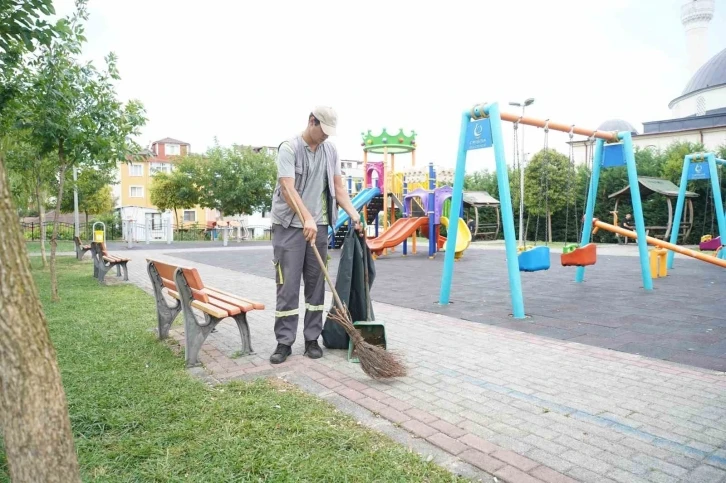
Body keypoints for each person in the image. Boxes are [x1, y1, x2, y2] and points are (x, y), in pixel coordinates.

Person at [268, 106, 363, 364]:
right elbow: (287, 188)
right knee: (287, 287)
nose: (326, 137)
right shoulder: (289, 148)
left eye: (330, 133)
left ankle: (312, 338)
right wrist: (305, 217)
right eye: (323, 131)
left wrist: (355, 215)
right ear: (312, 121)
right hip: (289, 227)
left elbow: (338, 188)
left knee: (316, 286)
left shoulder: (330, 150)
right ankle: (284, 342)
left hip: (318, 227)